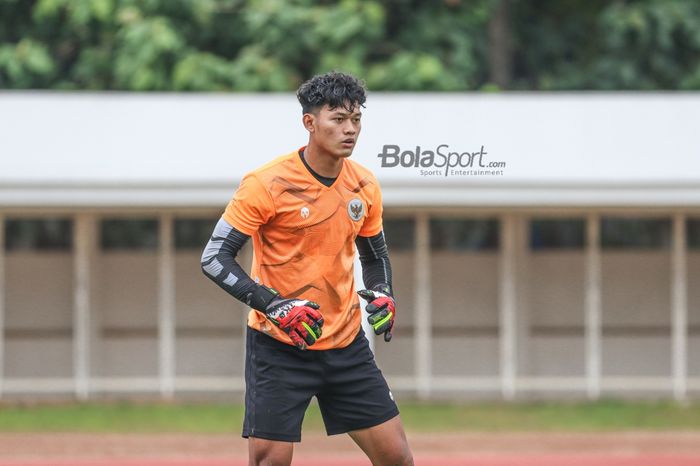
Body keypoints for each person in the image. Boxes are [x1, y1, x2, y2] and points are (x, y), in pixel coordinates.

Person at [201, 71, 413, 466]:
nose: (350, 130)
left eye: (356, 119)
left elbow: (374, 256)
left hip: (346, 345)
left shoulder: (364, 185)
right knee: (270, 463)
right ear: (310, 123)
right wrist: (274, 305)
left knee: (397, 459)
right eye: (338, 119)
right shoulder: (266, 183)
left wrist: (384, 292)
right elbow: (214, 258)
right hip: (279, 346)